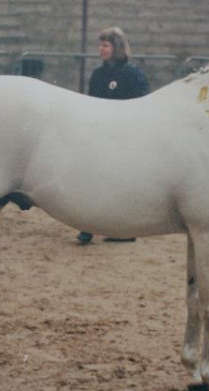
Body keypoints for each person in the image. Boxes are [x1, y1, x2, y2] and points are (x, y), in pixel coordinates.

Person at [76, 27, 150, 245]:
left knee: (122, 187)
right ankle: (86, 227)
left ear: (116, 47)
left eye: (105, 45)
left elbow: (143, 105)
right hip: (101, 137)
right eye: (100, 45)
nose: (101, 49)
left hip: (125, 139)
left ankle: (125, 230)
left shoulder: (132, 74)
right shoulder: (98, 74)